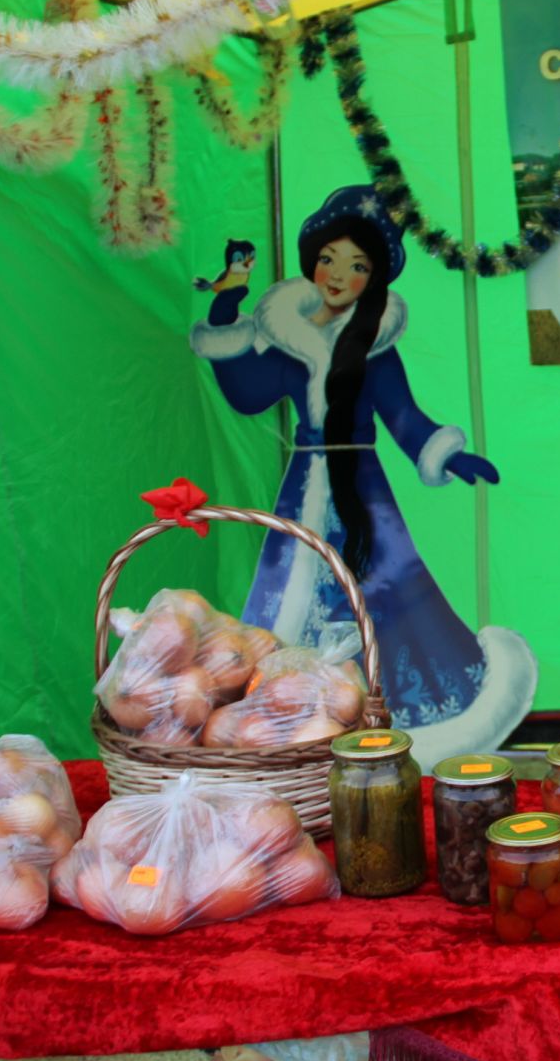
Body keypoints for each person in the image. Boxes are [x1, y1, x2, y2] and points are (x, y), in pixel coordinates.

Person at [191, 185, 536, 756]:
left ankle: (391, 719)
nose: (336, 274)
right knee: (290, 595)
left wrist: (446, 453)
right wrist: (227, 310)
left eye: (356, 265)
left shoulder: (376, 346)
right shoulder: (286, 341)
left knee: (386, 590)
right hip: (303, 487)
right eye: (328, 258)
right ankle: (285, 722)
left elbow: (404, 417)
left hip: (364, 493)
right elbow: (248, 394)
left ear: (372, 279)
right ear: (311, 261)